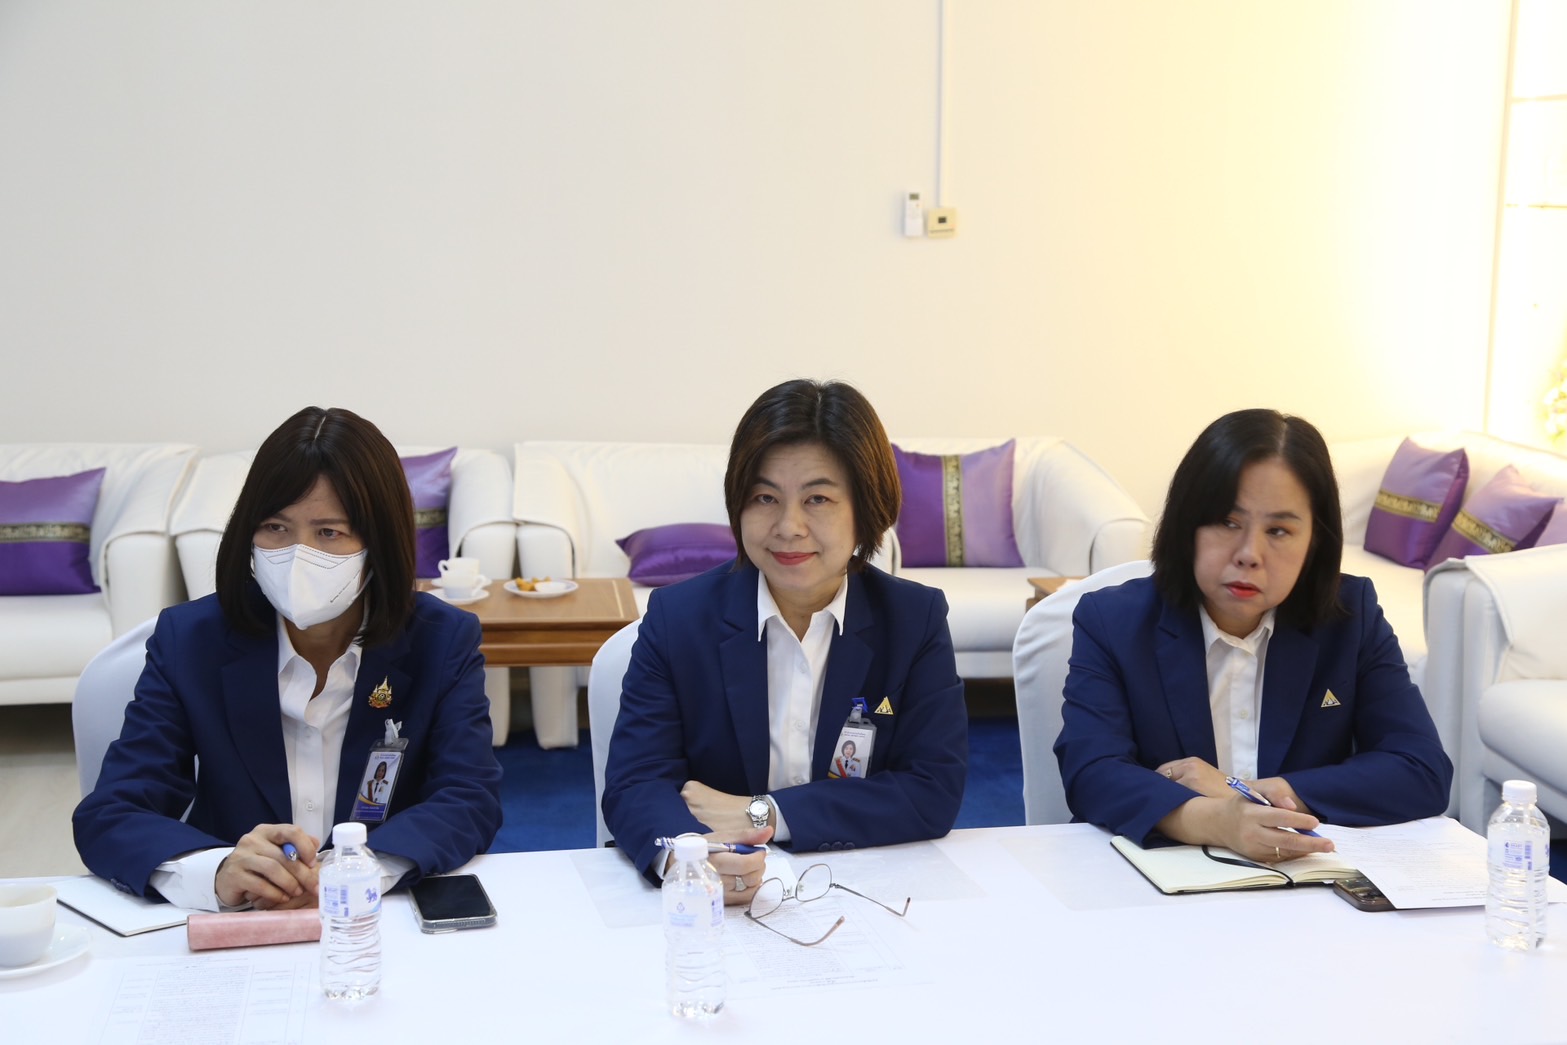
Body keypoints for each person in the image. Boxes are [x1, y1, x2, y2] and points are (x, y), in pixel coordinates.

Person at [73, 407, 502, 912]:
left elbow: (469, 797)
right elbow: (112, 813)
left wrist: (359, 869)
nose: (298, 554)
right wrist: (217, 870)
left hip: (377, 917)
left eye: (329, 532)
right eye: (275, 527)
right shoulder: (190, 641)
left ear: (379, 541)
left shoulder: (441, 639)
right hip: (241, 920)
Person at [602, 379, 968, 902]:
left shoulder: (914, 620)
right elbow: (636, 782)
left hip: (862, 889)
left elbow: (932, 790)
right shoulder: (678, 618)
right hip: (714, 901)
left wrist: (764, 813)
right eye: (764, 498)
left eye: (818, 498)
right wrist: (690, 859)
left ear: (866, 509)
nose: (789, 526)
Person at [1054, 408, 1452, 864]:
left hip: (1303, 879)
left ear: (1314, 541)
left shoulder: (1350, 616)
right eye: (1228, 522)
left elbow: (1421, 769)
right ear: (1186, 526)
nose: (1249, 554)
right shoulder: (1113, 620)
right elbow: (1091, 771)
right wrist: (1216, 819)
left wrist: (1249, 793)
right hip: (1158, 873)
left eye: (1279, 530)